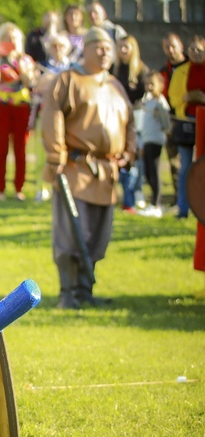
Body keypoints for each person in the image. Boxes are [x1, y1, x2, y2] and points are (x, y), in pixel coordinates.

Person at [41, 27, 136, 309]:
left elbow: (129, 123)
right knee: (72, 235)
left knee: (97, 236)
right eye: (100, 47)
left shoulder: (116, 86)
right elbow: (52, 116)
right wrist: (56, 156)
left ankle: (85, 290)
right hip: (75, 169)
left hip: (107, 173)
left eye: (109, 47)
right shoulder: (68, 80)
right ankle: (68, 293)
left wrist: (128, 153)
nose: (106, 52)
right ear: (87, 48)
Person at [0, 23, 37, 202]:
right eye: (7, 38)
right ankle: (0, 188)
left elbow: (28, 82)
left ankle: (19, 188)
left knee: (20, 149)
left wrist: (20, 65)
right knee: (1, 149)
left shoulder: (26, 60)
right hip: (2, 107)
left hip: (21, 107)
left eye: (14, 38)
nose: (11, 42)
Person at [30, 32, 72, 203]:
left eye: (61, 46)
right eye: (54, 46)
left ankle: (63, 190)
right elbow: (36, 91)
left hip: (67, 118)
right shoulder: (43, 67)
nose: (58, 49)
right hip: (45, 115)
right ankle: (42, 188)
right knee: (42, 155)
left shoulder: (73, 68)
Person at [167, 35, 205, 220]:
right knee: (185, 167)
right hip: (187, 121)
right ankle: (183, 209)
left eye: (199, 50)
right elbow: (173, 98)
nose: (195, 53)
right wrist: (186, 97)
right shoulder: (181, 71)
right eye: (192, 50)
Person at [112, 36, 148, 212]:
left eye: (126, 47)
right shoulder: (114, 69)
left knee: (134, 158)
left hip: (136, 121)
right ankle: (121, 197)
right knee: (119, 158)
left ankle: (134, 196)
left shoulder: (141, 70)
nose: (123, 51)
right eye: (120, 47)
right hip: (116, 120)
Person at [137, 71, 172, 218]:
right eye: (146, 84)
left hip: (155, 140)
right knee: (148, 172)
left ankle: (157, 205)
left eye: (152, 84)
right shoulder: (148, 101)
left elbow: (166, 124)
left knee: (155, 172)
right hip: (146, 140)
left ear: (159, 85)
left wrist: (161, 115)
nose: (149, 87)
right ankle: (153, 203)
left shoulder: (160, 102)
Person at [160, 33, 188, 207]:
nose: (170, 50)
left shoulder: (192, 66)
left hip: (191, 118)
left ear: (181, 46)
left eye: (173, 46)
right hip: (171, 119)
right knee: (174, 161)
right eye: (167, 47)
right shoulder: (165, 71)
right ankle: (180, 197)